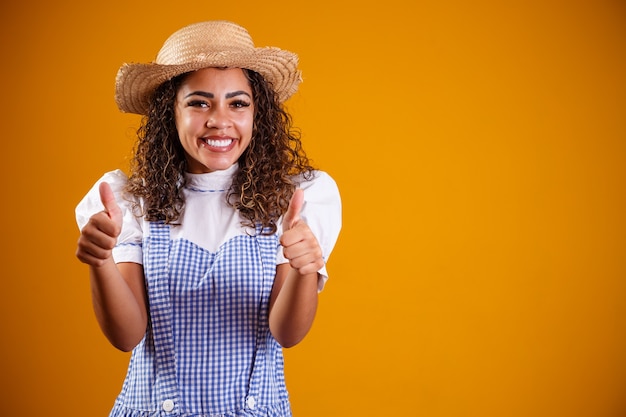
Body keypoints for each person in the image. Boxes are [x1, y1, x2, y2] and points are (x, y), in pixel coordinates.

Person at [75, 20, 341, 417]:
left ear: (258, 113)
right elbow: (126, 336)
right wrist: (101, 263)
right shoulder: (131, 202)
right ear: (170, 113)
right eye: (199, 102)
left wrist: (306, 267)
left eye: (238, 103)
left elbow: (286, 334)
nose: (219, 120)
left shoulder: (292, 202)